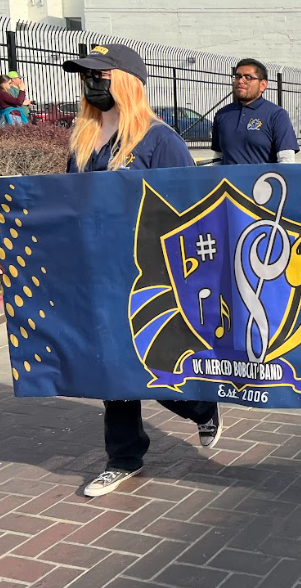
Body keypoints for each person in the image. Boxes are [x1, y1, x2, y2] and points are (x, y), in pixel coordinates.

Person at [62, 43, 222, 496]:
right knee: (111, 365)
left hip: (147, 273)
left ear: (127, 82)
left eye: (100, 75)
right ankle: (124, 456)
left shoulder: (159, 140)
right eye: (86, 76)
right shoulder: (82, 139)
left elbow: (189, 209)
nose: (91, 83)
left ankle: (199, 405)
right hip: (96, 273)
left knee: (151, 361)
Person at [211, 58, 299, 165]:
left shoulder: (277, 115)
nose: (240, 81)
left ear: (263, 85)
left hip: (262, 176)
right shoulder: (222, 114)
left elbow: (286, 160)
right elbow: (218, 156)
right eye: (237, 77)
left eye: (248, 77)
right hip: (228, 176)